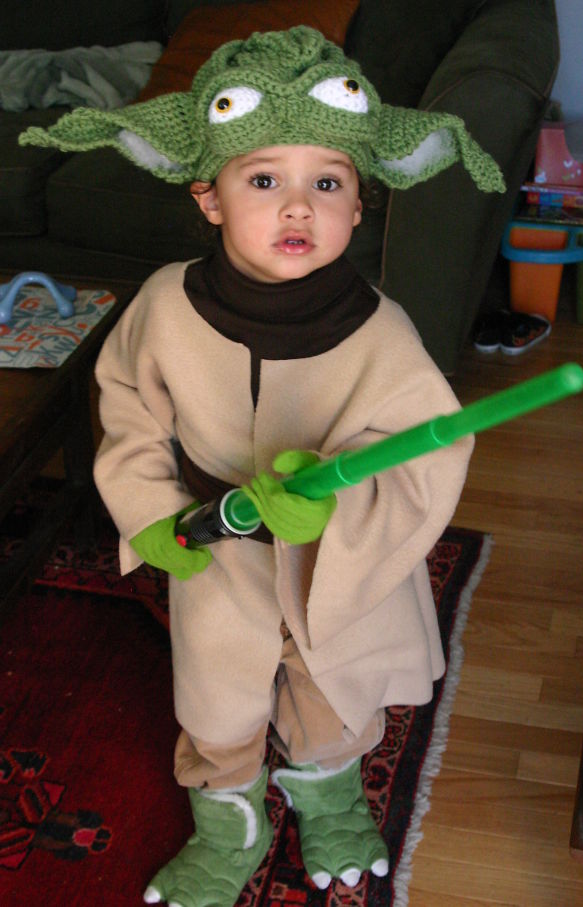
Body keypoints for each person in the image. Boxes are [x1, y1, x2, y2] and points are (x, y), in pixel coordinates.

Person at [20, 26, 504, 907]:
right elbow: (126, 406)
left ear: (359, 204)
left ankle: (329, 795)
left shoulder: (383, 333)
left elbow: (426, 451)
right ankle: (227, 825)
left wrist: (337, 507)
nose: (298, 208)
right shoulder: (164, 304)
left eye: (327, 182)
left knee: (333, 686)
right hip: (216, 542)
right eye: (264, 180)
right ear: (208, 197)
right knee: (216, 692)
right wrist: (150, 510)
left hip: (336, 559)